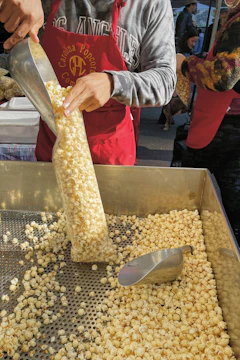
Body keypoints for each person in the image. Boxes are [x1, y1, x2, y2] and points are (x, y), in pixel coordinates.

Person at [0, 0, 176, 166]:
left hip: (110, 152)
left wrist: (113, 83)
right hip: (54, 149)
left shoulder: (150, 4)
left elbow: (165, 81)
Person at [176, 0, 240, 242]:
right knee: (232, 198)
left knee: (197, 194)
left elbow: (222, 76)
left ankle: (193, 246)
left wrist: (185, 64)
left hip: (222, 126)